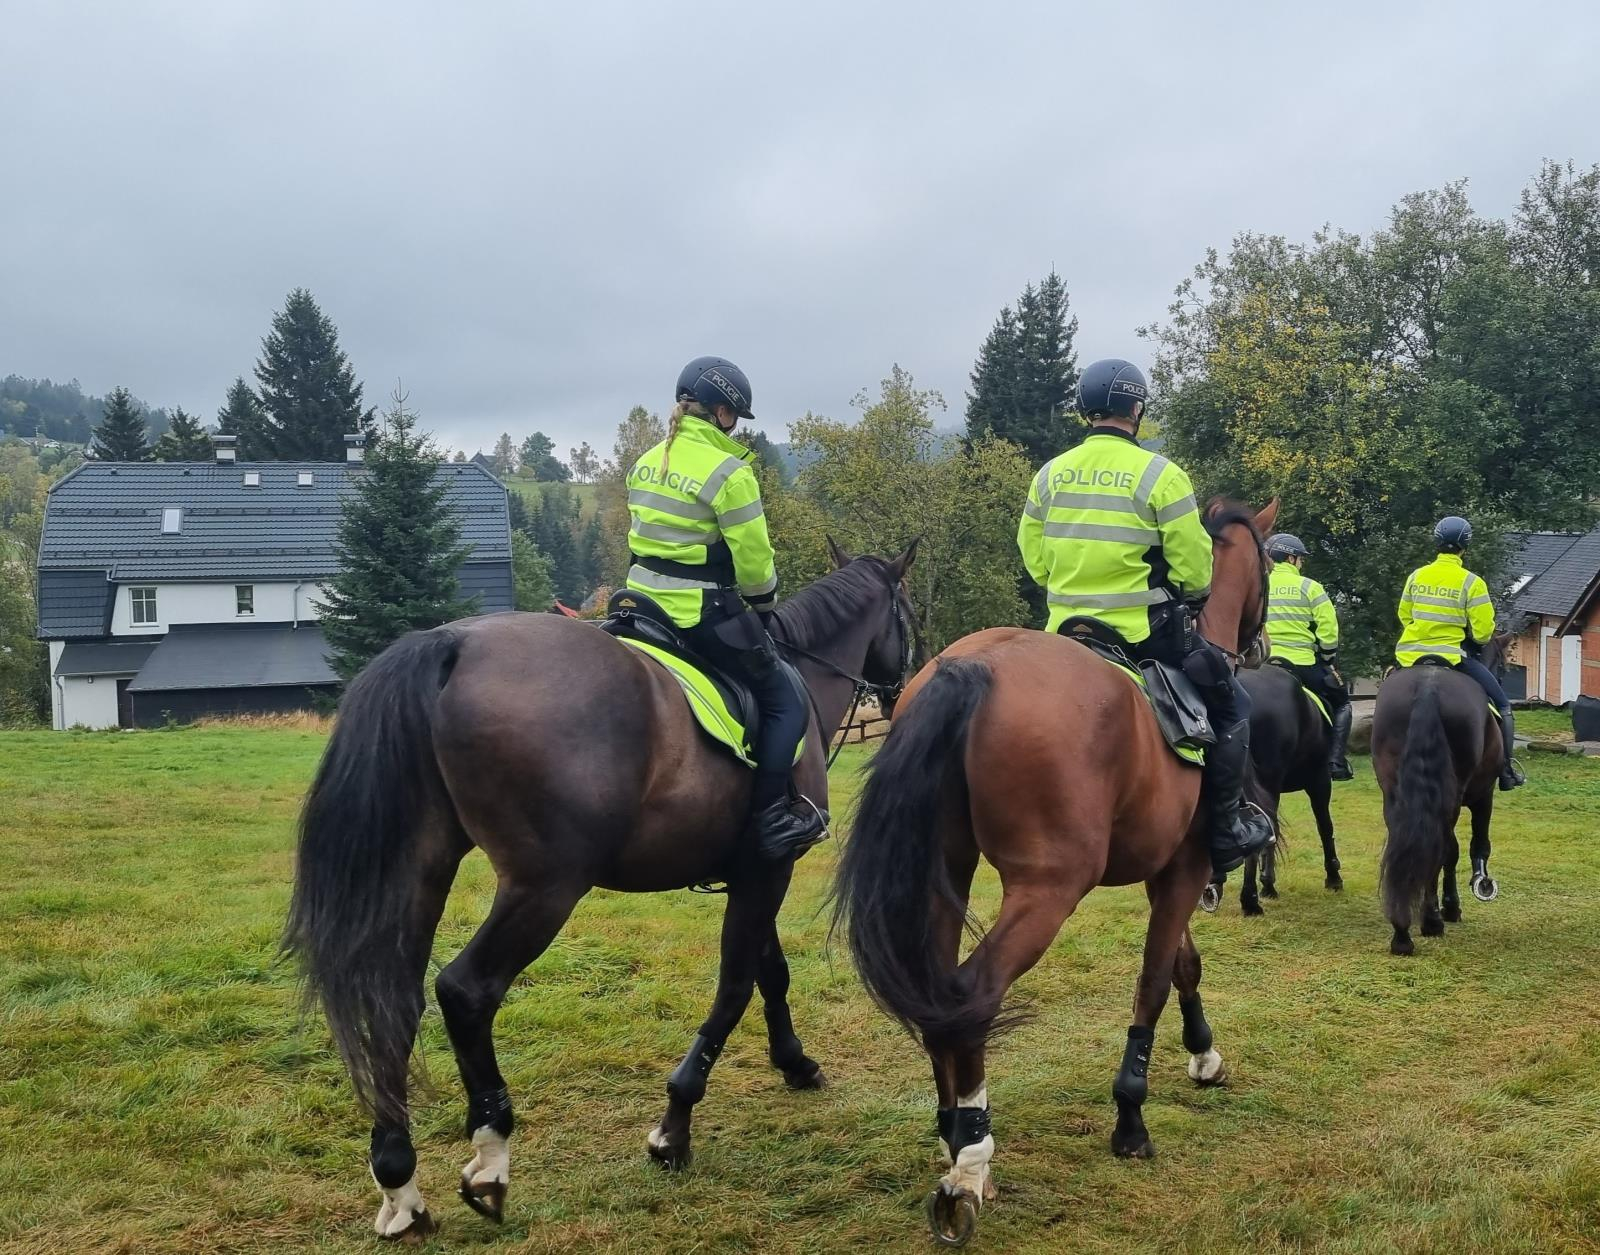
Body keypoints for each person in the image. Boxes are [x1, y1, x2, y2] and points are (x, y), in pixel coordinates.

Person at [1017, 358, 1274, 874]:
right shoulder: (1162, 474)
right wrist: (1187, 591)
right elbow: (1195, 568)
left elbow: (1034, 558)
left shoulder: (1048, 476)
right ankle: (1226, 829)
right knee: (1232, 704)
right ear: (1136, 409)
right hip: (1141, 633)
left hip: (1062, 635)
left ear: (1084, 410)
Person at [625, 356, 826, 858]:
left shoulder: (646, 460)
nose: (735, 427)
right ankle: (769, 819)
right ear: (720, 412)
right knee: (785, 700)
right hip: (698, 612)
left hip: (639, 605)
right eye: (734, 417)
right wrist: (762, 603)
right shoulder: (730, 473)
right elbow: (755, 561)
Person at [1395, 515, 1525, 791]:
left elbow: (1404, 615)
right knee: (1503, 706)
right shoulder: (1472, 582)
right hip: (1453, 656)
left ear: (1436, 542)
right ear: (1465, 546)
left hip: (1410, 656)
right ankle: (1506, 769)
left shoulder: (1416, 576)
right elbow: (1481, 633)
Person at [1264, 533, 1354, 779]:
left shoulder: (1259, 584)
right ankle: (1336, 762)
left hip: (1263, 665)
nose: (1302, 563)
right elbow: (1328, 630)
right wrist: (1326, 657)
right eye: (1301, 559)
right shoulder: (1310, 587)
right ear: (1291, 558)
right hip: (1301, 664)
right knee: (1342, 702)